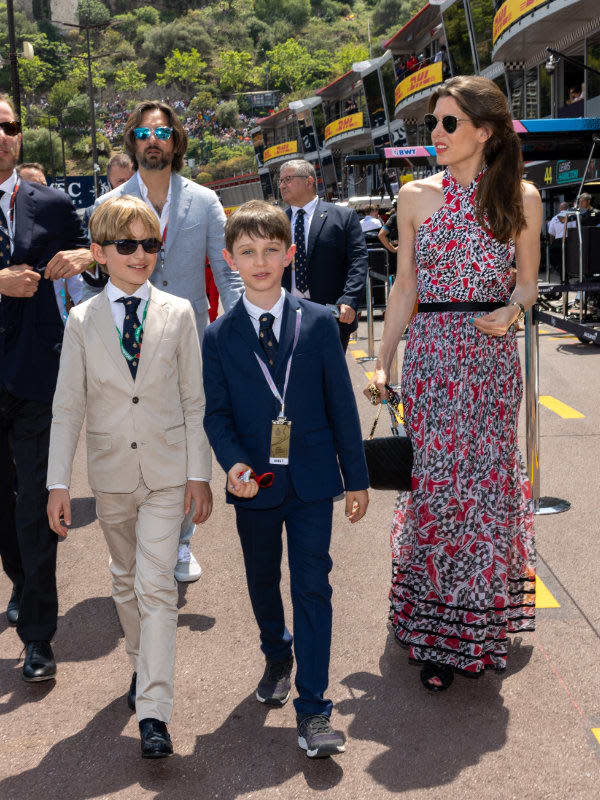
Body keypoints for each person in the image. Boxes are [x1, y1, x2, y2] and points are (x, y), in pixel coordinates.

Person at [366, 75, 539, 691]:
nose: (435, 135)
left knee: (487, 488)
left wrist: (514, 309)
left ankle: (482, 625)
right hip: (434, 358)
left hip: (491, 361)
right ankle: (437, 633)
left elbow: (526, 281)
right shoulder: (415, 196)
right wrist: (382, 358)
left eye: (448, 124)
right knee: (438, 487)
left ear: (484, 131)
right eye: (431, 124)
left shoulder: (519, 196)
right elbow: (405, 286)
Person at [46, 195, 212, 758]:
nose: (140, 255)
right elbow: (68, 406)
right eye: (127, 246)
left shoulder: (180, 313)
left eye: (149, 245)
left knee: (156, 587)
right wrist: (58, 484)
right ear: (99, 253)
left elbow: (195, 399)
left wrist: (199, 475)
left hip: (167, 473)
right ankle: (143, 668)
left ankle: (154, 711)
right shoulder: (80, 321)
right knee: (124, 582)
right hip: (111, 474)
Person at [202, 200, 369, 758]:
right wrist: (233, 464)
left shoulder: (320, 322)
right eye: (247, 252)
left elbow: (342, 406)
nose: (261, 261)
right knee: (260, 577)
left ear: (290, 254)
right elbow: (217, 416)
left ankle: (315, 708)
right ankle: (277, 650)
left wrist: (358, 478)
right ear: (230, 259)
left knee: (313, 585)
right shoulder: (219, 337)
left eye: (271, 250)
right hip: (255, 485)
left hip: (314, 481)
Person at [75, 100, 244, 583]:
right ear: (133, 141)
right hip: (126, 337)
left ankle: (181, 540)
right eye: (145, 133)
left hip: (187, 337)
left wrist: (236, 331)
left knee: (186, 433)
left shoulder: (206, 201)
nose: (154, 141)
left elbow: (226, 276)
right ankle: (136, 534)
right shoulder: (108, 206)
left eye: (164, 133)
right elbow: (96, 277)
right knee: (133, 435)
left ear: (176, 142)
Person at [0, 94, 89, 680]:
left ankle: (38, 635)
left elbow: (99, 252)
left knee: (35, 503)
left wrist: (83, 255)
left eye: (8, 125)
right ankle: (25, 581)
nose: (2, 134)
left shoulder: (52, 203)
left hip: (37, 377)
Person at [278, 159, 368, 352]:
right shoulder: (276, 222)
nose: (282, 185)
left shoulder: (343, 217)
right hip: (287, 313)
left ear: (309, 181)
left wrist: (350, 299)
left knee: (330, 378)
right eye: (281, 180)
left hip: (331, 314)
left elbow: (358, 261)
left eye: (288, 179)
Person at [16, 161, 85, 320]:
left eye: (43, 186)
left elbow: (78, 284)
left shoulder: (60, 230)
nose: (39, 193)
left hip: (54, 328)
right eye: (31, 187)